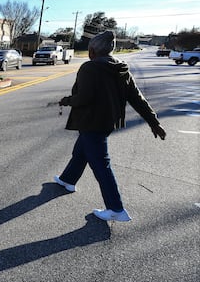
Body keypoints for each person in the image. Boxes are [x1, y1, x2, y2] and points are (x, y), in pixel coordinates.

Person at [54, 30, 166, 222]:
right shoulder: (121, 68)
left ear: (92, 51)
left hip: (91, 122)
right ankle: (68, 180)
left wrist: (66, 100)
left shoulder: (89, 68)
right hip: (107, 122)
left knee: (101, 165)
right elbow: (137, 98)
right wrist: (153, 122)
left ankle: (116, 209)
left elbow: (84, 98)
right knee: (81, 152)